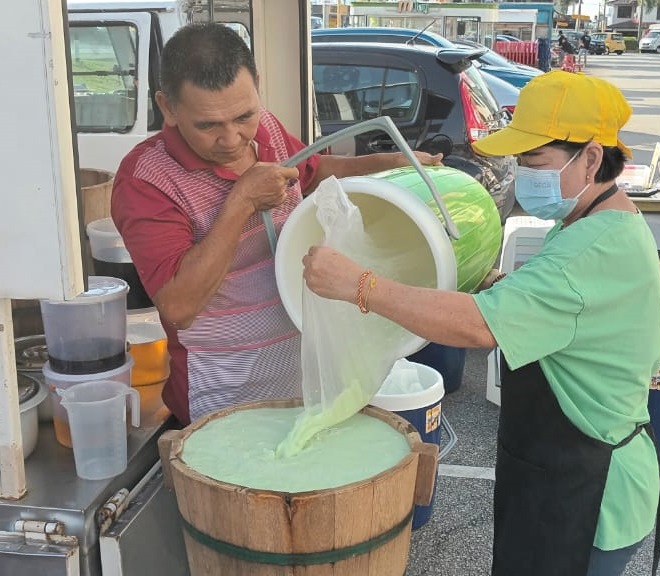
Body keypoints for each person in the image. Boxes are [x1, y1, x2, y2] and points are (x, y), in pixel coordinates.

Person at [302, 71, 660, 576]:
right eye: (519, 160)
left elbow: (478, 328)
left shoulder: (588, 250)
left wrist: (359, 285)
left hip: (589, 498)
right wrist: (497, 282)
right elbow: (565, 308)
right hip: (562, 474)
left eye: (534, 160)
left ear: (590, 156)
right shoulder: (603, 222)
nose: (523, 173)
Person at [111, 23, 441, 425]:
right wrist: (242, 202)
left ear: (257, 88)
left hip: (307, 370)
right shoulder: (147, 179)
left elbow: (312, 172)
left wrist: (386, 165)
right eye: (208, 125)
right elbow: (179, 305)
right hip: (221, 393)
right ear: (168, 107)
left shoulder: (265, 127)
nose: (232, 138)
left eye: (243, 115)